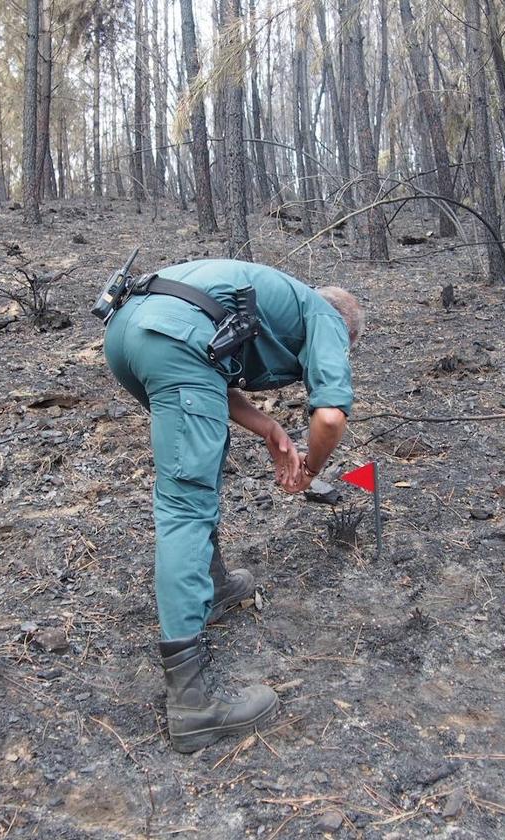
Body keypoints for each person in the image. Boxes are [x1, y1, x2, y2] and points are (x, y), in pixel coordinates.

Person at [103, 258, 363, 753]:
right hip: (171, 341)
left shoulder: (276, 298)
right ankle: (193, 702)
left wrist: (268, 427)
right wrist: (309, 471)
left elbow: (207, 369)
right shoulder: (329, 316)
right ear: (347, 336)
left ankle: (213, 584)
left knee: (199, 457)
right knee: (185, 503)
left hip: (128, 331)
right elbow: (329, 419)